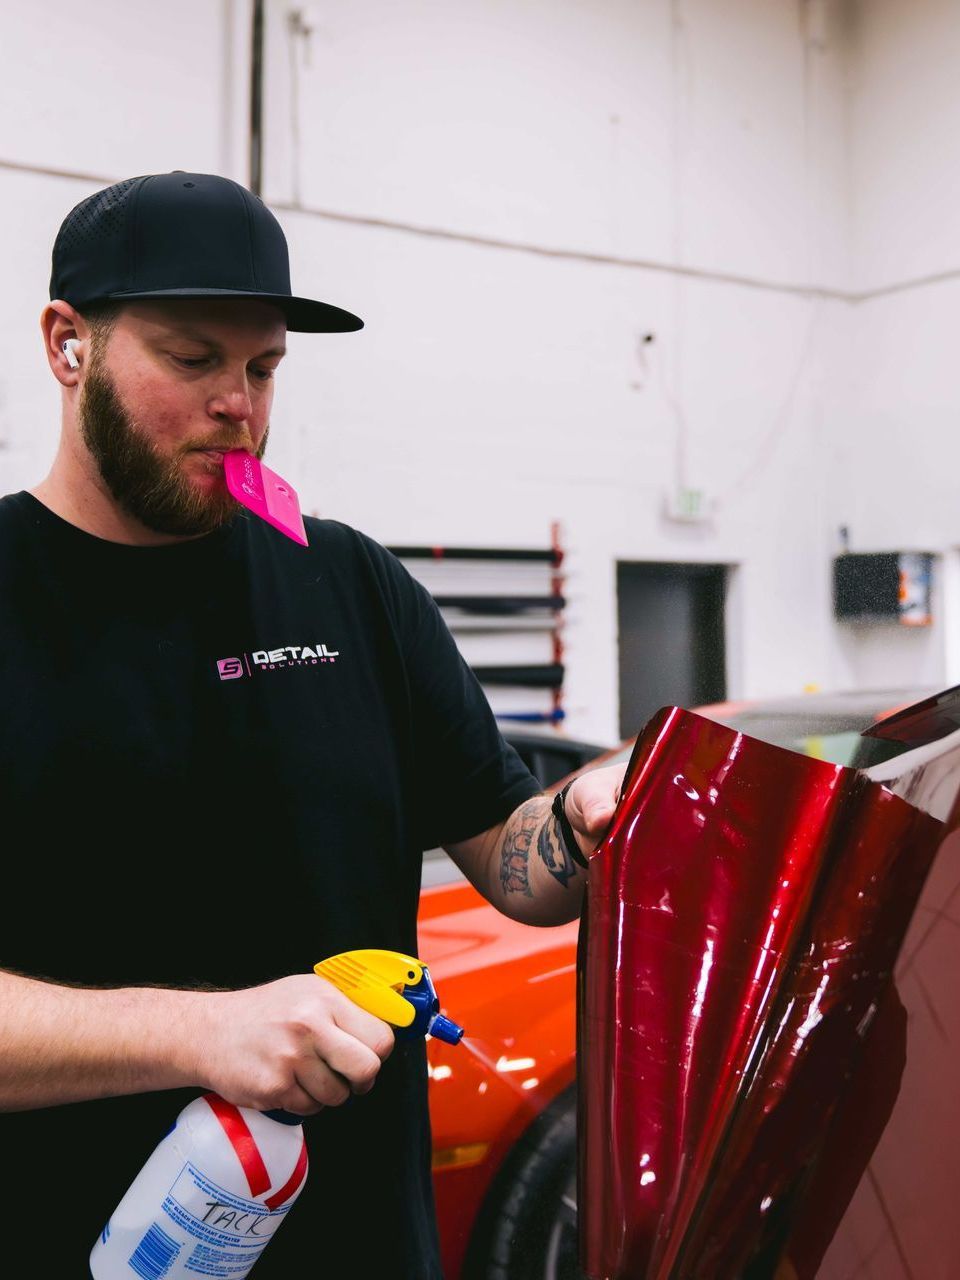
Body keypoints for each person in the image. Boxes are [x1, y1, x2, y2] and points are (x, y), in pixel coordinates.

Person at [0, 171, 625, 1278]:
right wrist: (198, 1032)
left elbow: (520, 869)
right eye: (193, 359)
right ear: (67, 344)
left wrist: (581, 818)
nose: (239, 402)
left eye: (264, 366)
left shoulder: (348, 583)